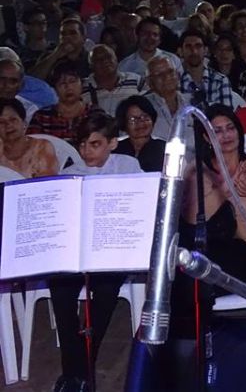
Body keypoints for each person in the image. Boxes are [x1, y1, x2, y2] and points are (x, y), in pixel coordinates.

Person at [167, 105, 246, 374]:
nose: (225, 135)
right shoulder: (195, 171)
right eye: (216, 130)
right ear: (206, 137)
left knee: (197, 280)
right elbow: (187, 223)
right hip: (204, 246)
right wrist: (220, 187)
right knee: (186, 277)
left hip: (245, 251)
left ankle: (196, 354)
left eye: (230, 128)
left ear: (239, 131)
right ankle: (187, 355)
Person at [49, 111, 142, 392]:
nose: (86, 151)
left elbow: (138, 207)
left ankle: (79, 369)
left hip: (112, 250)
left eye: (95, 144)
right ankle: (76, 368)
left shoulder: (128, 166)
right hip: (77, 252)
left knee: (106, 286)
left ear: (112, 143)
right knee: (60, 287)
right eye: (82, 145)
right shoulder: (69, 173)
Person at [28, 61, 93, 145]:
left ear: (82, 84)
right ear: (54, 88)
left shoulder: (94, 113)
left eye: (72, 81)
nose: (68, 87)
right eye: (62, 83)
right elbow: (31, 147)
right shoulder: (41, 117)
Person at [0, 97, 58, 178]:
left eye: (13, 120)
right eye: (1, 122)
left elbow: (47, 184)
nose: (8, 125)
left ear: (24, 123)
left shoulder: (42, 147)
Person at [81, 44, 144, 116]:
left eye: (108, 57)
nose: (105, 61)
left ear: (116, 59)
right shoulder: (82, 89)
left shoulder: (136, 81)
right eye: (98, 59)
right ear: (91, 65)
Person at [112, 95, 166, 173]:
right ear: (124, 123)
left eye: (144, 117)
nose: (140, 123)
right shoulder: (115, 149)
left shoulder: (164, 148)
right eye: (133, 119)